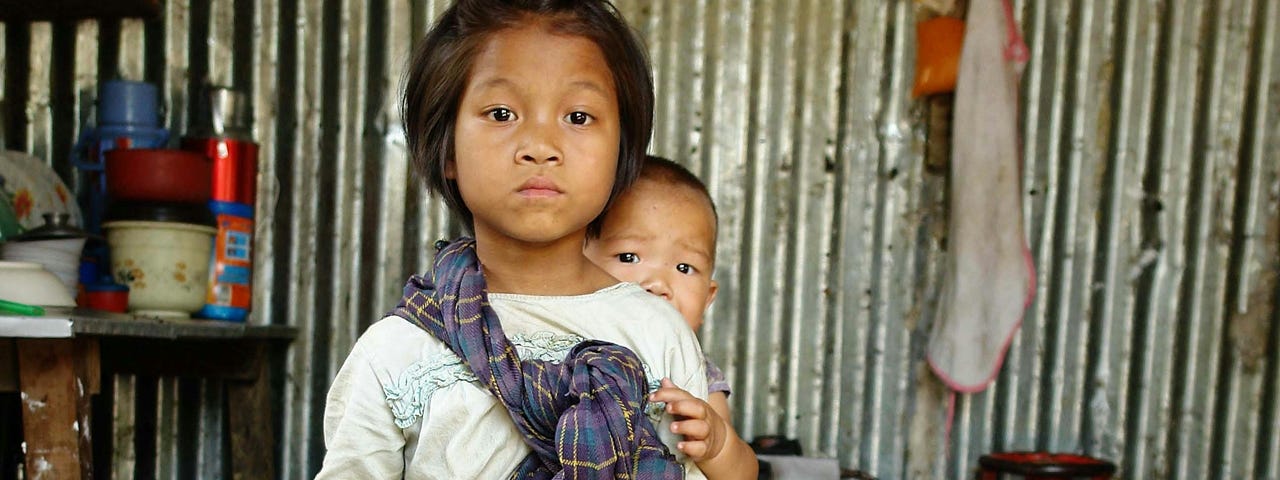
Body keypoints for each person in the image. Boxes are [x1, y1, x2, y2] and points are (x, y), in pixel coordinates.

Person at [317, 0, 710, 478]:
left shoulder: (658, 334)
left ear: (620, 151)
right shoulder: (397, 352)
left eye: (579, 117)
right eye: (502, 113)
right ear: (448, 149)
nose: (540, 146)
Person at [585, 156, 759, 479]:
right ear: (578, 265)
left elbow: (743, 474)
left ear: (707, 299)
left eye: (684, 268)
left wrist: (717, 445)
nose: (658, 284)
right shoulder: (564, 352)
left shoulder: (698, 378)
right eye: (629, 256)